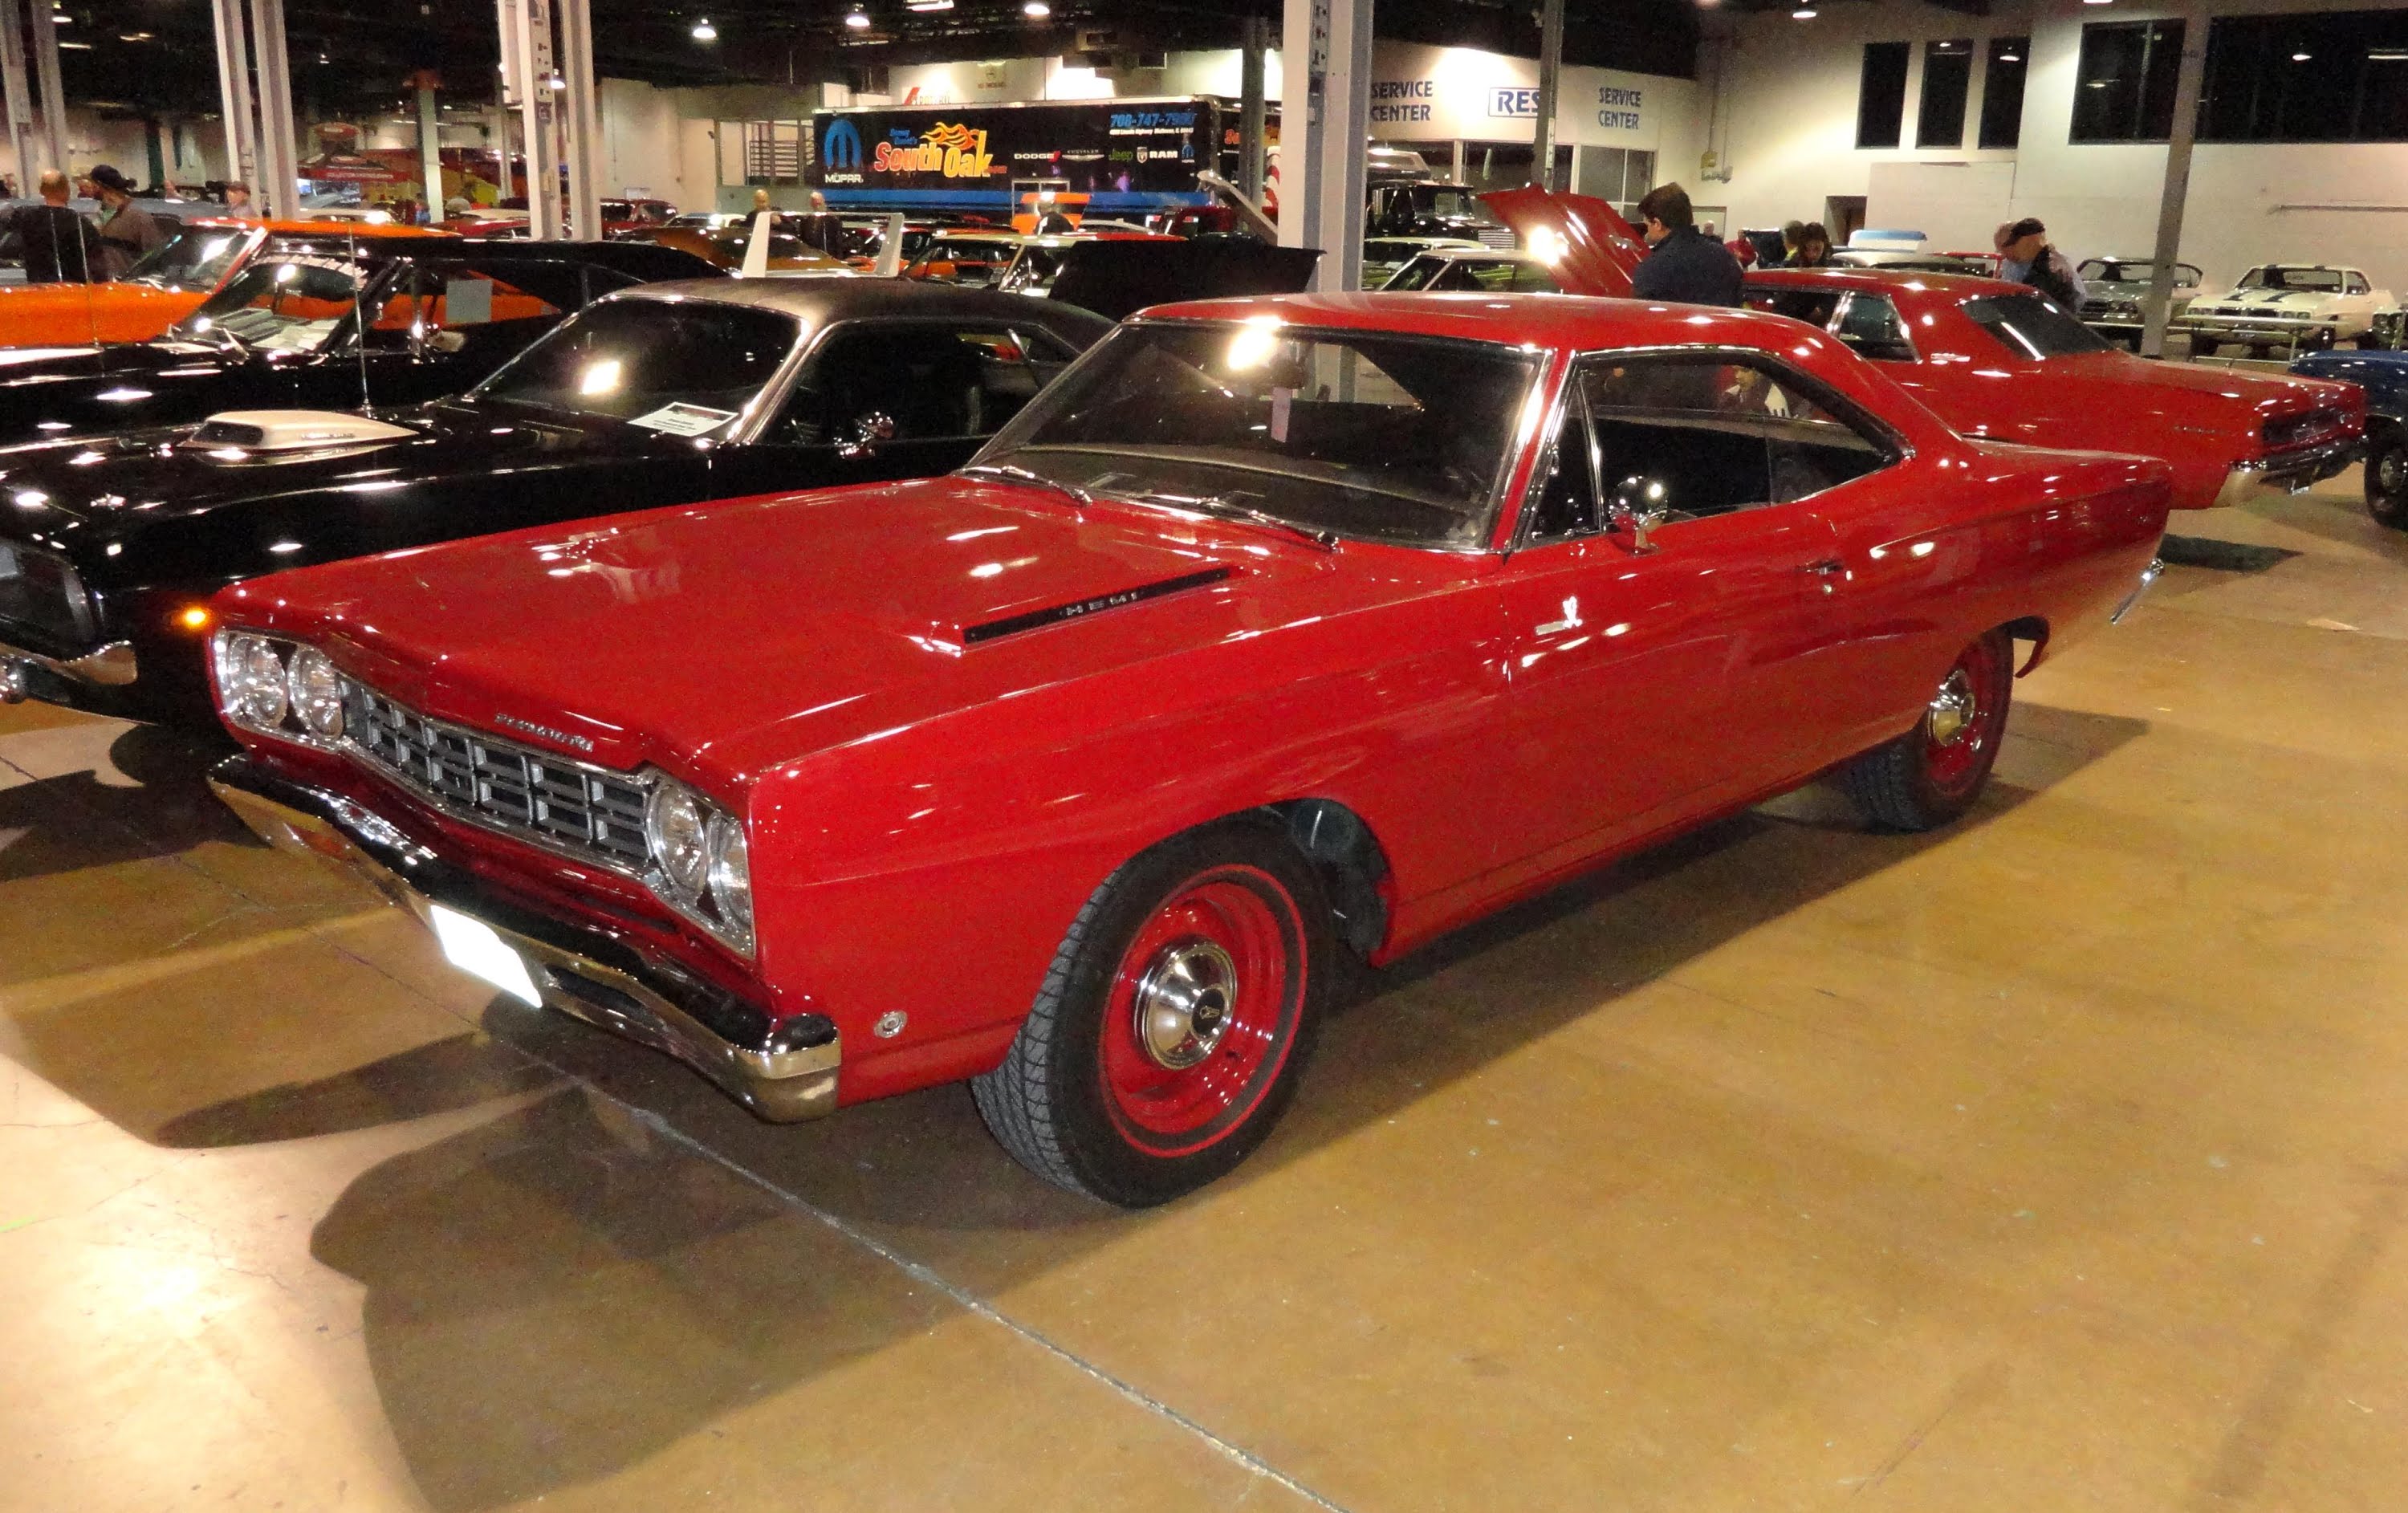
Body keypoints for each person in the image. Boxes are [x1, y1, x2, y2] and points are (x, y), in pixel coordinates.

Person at [1629, 181, 1743, 307]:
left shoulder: (1653, 267)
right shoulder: (1725, 257)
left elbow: (1648, 318)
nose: (1647, 230)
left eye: (1647, 224)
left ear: (1657, 224)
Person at [0, 169, 103, 283]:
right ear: (67, 191)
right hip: (74, 290)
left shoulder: (27, 219)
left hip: (39, 288)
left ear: (42, 191)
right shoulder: (81, 223)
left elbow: (9, 248)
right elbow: (97, 264)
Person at [85, 164, 164, 279]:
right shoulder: (97, 215)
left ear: (99, 186)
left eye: (92, 184)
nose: (90, 188)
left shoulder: (138, 218)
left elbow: (155, 256)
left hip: (128, 288)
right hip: (100, 288)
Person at [1998, 216, 2085, 308]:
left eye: (2015, 245)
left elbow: (2032, 304)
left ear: (2029, 242)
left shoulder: (2050, 267)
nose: (2014, 251)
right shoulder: (2040, 264)